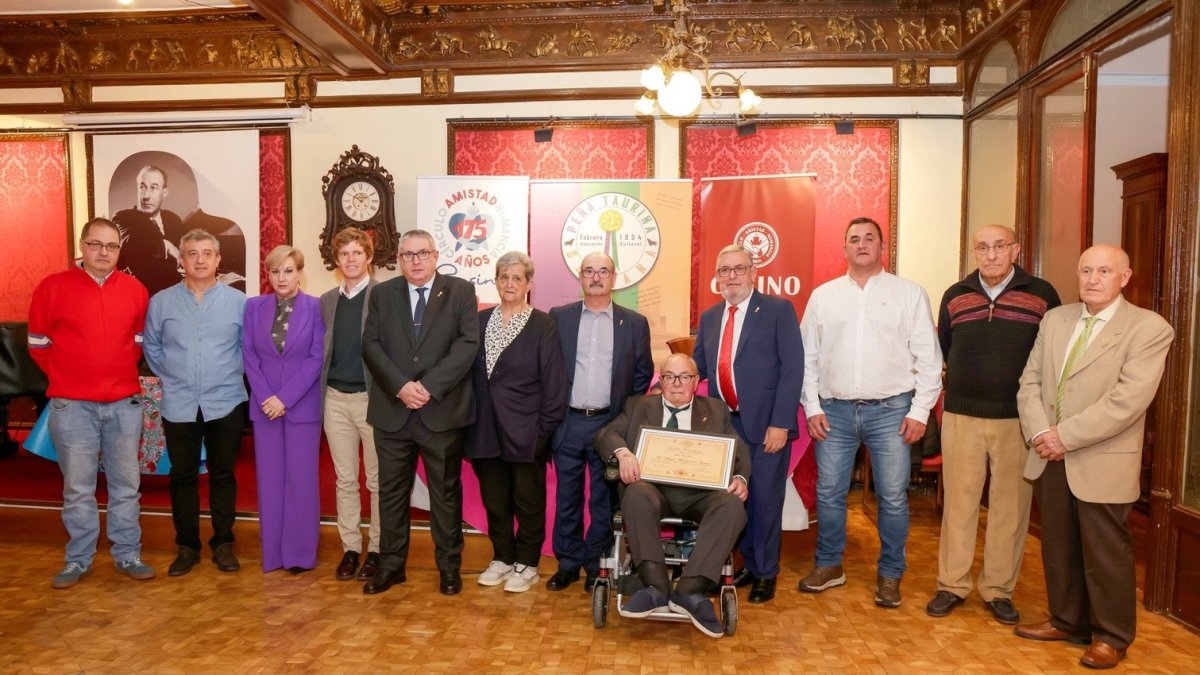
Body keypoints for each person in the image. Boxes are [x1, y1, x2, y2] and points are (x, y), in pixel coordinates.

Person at [1014, 245, 1173, 670]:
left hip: (1101, 456)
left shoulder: (1148, 328)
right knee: (1058, 546)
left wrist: (1064, 436)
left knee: (1106, 552)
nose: (1093, 278)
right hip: (1049, 454)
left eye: (1104, 270)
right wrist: (1041, 435)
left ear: (1126, 276)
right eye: (1086, 269)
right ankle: (1067, 621)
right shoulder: (1056, 319)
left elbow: (1128, 401)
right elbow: (1029, 382)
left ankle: (1111, 636)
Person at [798, 217, 942, 608]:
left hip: (892, 411)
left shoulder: (909, 294)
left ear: (882, 247)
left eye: (869, 238)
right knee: (829, 494)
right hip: (834, 412)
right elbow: (806, 358)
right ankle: (829, 566)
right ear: (843, 249)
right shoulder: (823, 296)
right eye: (853, 239)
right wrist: (811, 406)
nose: (861, 244)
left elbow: (929, 360)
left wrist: (920, 412)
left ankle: (891, 574)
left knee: (893, 496)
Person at [926, 225, 1061, 624]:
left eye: (999, 246)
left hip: (1017, 419)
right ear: (974, 253)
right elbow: (949, 348)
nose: (991, 254)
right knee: (959, 505)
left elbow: (1051, 353)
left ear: (1015, 249)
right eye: (982, 248)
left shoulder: (1042, 294)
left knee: (1010, 508)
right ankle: (951, 585)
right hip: (962, 416)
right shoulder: (955, 295)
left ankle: (999, 589)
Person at [28, 217, 155, 588]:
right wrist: (69, 376)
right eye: (96, 244)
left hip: (123, 403)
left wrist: (112, 374)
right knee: (78, 488)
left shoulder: (134, 289)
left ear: (119, 251)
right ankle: (78, 559)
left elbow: (138, 343)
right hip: (72, 406)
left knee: (126, 485)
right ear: (82, 246)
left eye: (112, 246)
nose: (104, 252)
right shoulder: (53, 288)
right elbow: (38, 344)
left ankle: (128, 553)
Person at [594, 353, 750, 638]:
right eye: (669, 377)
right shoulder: (638, 405)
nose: (677, 383)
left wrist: (739, 478)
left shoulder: (715, 410)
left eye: (685, 377)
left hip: (701, 492)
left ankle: (690, 591)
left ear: (696, 382)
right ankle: (655, 587)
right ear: (661, 380)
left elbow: (738, 452)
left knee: (732, 505)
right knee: (635, 493)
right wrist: (623, 452)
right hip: (653, 489)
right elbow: (605, 435)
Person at [361, 229, 479, 596]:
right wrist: (400, 386)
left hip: (440, 412)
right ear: (399, 258)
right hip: (393, 412)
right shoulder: (382, 294)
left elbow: (467, 344)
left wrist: (428, 387)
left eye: (422, 253)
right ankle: (392, 567)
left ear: (435, 255)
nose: (415, 260)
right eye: (408, 254)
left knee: (445, 495)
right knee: (391, 494)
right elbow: (370, 344)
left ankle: (449, 569)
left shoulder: (459, 291)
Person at [693, 244, 803, 604]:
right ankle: (747, 565)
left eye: (738, 268)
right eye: (724, 270)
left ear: (753, 271)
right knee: (731, 501)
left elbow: (792, 369)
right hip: (726, 430)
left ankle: (766, 573)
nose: (731, 276)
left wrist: (781, 423)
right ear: (717, 277)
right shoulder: (710, 318)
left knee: (766, 501)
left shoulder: (777, 310)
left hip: (767, 426)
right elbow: (701, 371)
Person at [546, 252, 653, 593]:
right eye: (589, 271)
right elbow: (548, 370)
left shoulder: (634, 323)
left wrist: (623, 421)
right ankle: (567, 564)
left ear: (613, 277)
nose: (596, 277)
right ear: (580, 276)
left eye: (603, 271)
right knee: (567, 497)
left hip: (609, 426)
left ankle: (596, 566)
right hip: (569, 422)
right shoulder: (558, 318)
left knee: (603, 502)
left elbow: (642, 376)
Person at [143, 229, 248, 577]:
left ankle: (223, 544)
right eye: (192, 253)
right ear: (181, 261)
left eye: (207, 253)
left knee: (223, 475)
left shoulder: (240, 303)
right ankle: (186, 546)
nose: (200, 260)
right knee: (183, 476)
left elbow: (248, 350)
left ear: (219, 260)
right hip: (179, 402)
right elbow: (152, 348)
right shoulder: (161, 302)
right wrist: (175, 375)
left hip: (227, 402)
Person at [465, 252, 568, 593]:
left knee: (528, 501)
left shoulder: (543, 324)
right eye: (504, 277)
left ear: (528, 284)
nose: (510, 284)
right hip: (484, 431)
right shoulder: (478, 322)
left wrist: (542, 432)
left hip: (527, 433)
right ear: (496, 281)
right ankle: (503, 558)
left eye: (517, 278)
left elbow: (554, 383)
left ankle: (527, 563)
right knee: (495, 500)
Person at [243, 245, 325, 573]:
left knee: (302, 481)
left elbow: (316, 358)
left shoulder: (318, 308)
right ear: (268, 274)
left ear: (299, 273)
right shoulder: (253, 307)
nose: (281, 277)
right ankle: (273, 555)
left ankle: (300, 555)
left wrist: (284, 399)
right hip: (264, 408)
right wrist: (267, 398)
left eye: (288, 270)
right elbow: (248, 354)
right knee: (270, 481)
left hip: (302, 407)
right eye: (275, 271)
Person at [320, 227, 381, 581]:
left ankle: (376, 549)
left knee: (377, 481)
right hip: (334, 400)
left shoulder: (384, 296)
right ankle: (350, 549)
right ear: (336, 260)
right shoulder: (327, 300)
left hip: (371, 401)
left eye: (357, 253)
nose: (351, 260)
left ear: (368, 257)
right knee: (345, 480)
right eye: (344, 254)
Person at [113, 165, 187, 295]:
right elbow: (131, 243)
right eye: (142, 187)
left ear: (164, 193)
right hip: (140, 297)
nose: (146, 195)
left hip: (173, 296)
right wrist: (166, 245)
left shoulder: (173, 219)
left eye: (154, 188)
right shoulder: (123, 217)